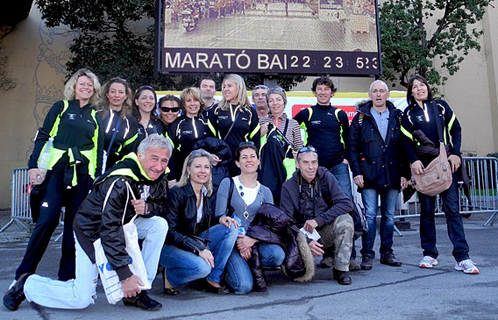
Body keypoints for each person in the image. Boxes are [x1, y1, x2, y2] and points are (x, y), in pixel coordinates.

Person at [4, 134, 171, 311]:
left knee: (159, 225)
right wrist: (125, 275)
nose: (159, 166)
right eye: (154, 159)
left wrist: (148, 208)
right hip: (92, 231)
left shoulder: (159, 175)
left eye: (164, 160)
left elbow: (162, 204)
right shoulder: (120, 181)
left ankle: (139, 290)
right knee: (81, 299)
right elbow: (109, 231)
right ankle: (26, 284)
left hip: (123, 224)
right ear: (140, 156)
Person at [3, 69, 103, 301]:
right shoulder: (62, 107)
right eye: (82, 84)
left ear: (95, 89)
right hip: (56, 172)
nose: (86, 88)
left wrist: (95, 178)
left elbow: (97, 150)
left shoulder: (96, 116)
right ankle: (21, 279)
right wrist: (33, 165)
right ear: (74, 87)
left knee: (73, 229)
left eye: (90, 85)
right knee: (46, 222)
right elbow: (43, 135)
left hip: (81, 176)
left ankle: (67, 279)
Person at [401, 75, 479, 274]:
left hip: (446, 166)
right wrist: (414, 160)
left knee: (453, 211)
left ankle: (462, 257)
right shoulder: (408, 114)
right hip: (425, 170)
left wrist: (456, 154)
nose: (419, 89)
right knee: (426, 212)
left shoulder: (441, 106)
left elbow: (457, 129)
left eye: (422, 85)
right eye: (415, 87)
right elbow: (405, 142)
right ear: (410, 92)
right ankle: (429, 254)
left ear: (427, 87)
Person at [160, 149, 239, 295]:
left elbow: (202, 221)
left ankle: (212, 278)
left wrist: (220, 219)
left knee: (231, 227)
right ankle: (170, 278)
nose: (202, 171)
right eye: (198, 166)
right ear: (188, 169)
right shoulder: (177, 193)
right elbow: (170, 232)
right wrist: (198, 248)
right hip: (172, 246)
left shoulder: (206, 193)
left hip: (193, 240)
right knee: (202, 267)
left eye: (206, 167)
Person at [293, 76, 352, 268]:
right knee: (323, 208)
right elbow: (290, 129)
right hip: (316, 170)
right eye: (319, 89)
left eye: (327, 89)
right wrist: (297, 152)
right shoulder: (307, 113)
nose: (323, 92)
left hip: (338, 166)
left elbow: (350, 140)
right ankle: (328, 256)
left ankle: (349, 257)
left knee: (346, 205)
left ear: (332, 93)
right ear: (314, 92)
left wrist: (346, 159)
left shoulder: (339, 114)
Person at [349, 80, 408, 270]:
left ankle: (387, 253)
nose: (378, 94)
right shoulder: (360, 118)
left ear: (387, 95)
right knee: (370, 215)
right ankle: (367, 254)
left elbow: (406, 147)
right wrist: (356, 172)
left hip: (392, 174)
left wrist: (405, 174)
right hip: (369, 175)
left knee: (389, 217)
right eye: (375, 91)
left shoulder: (399, 117)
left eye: (382, 91)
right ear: (370, 95)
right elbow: (352, 147)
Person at [280, 146, 355, 285]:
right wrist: (305, 241)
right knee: (299, 275)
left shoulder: (326, 177)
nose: (311, 167)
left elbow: (346, 203)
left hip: (324, 229)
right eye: (306, 162)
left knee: (346, 221)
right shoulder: (288, 187)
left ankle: (341, 269)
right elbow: (286, 223)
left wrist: (319, 220)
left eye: (314, 162)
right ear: (297, 164)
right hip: (301, 235)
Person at [215, 143, 281, 294]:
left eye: (253, 157)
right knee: (243, 286)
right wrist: (239, 240)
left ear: (259, 161)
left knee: (277, 255)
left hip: (255, 241)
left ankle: (251, 264)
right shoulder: (228, 183)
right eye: (244, 157)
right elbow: (219, 216)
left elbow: (269, 224)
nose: (249, 160)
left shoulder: (265, 191)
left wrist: (251, 240)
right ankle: (229, 270)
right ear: (237, 163)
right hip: (232, 242)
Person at [207, 74, 260, 176]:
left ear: (239, 87)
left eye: (229, 86)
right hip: (221, 162)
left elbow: (255, 142)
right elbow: (209, 138)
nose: (225, 89)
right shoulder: (216, 110)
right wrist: (211, 155)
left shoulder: (250, 112)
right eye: (224, 86)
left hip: (242, 163)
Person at [168, 87, 213, 183]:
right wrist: (172, 177)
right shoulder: (177, 124)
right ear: (184, 104)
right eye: (188, 101)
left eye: (196, 100)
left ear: (200, 102)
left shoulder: (206, 122)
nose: (192, 104)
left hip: (204, 173)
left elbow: (215, 145)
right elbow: (170, 152)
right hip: (183, 173)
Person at [96, 77, 139, 172]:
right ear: (107, 94)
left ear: (126, 96)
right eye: (113, 91)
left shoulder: (130, 121)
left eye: (120, 92)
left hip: (115, 170)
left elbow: (130, 151)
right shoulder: (96, 114)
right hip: (92, 166)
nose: (116, 95)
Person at [267, 87, 303, 155]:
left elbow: (299, 148)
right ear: (268, 104)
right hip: (267, 163)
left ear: (284, 103)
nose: (275, 103)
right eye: (271, 101)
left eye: (278, 100)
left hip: (287, 163)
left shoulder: (293, 123)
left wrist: (296, 155)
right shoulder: (261, 122)